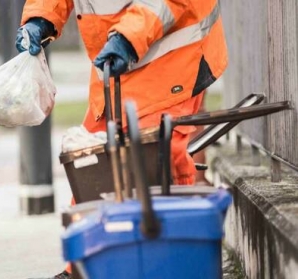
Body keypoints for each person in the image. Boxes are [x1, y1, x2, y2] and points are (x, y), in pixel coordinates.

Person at [16, 1, 227, 278]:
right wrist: (41, 18)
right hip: (119, 56)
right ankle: (85, 267)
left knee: (156, 163)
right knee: (92, 160)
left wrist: (129, 37)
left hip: (171, 57)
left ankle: (172, 264)